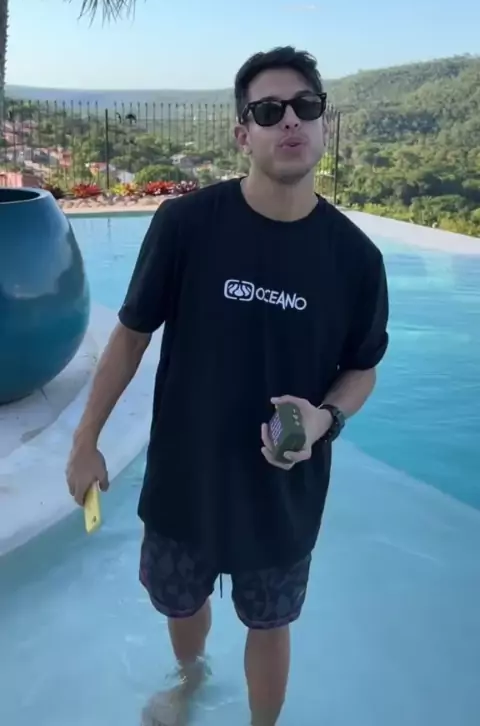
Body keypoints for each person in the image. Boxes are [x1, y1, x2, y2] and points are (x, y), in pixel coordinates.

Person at [66, 46, 389, 726]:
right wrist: (85, 439)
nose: (290, 120)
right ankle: (190, 682)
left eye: (305, 106)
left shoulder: (356, 260)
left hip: (284, 493)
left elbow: (362, 367)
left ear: (323, 123)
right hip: (186, 479)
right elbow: (130, 335)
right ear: (243, 133)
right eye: (268, 111)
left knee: (270, 623)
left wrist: (324, 419)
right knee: (180, 603)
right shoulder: (186, 226)